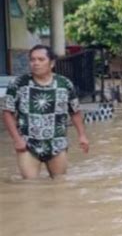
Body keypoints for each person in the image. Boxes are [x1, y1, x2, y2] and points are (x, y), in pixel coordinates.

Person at [2, 44, 89, 179]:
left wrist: (82, 136)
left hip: (57, 143)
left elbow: (75, 111)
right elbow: (7, 112)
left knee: (60, 185)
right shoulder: (18, 84)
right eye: (32, 59)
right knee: (29, 186)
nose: (36, 63)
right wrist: (17, 139)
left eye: (41, 59)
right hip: (27, 144)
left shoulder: (65, 84)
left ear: (52, 63)